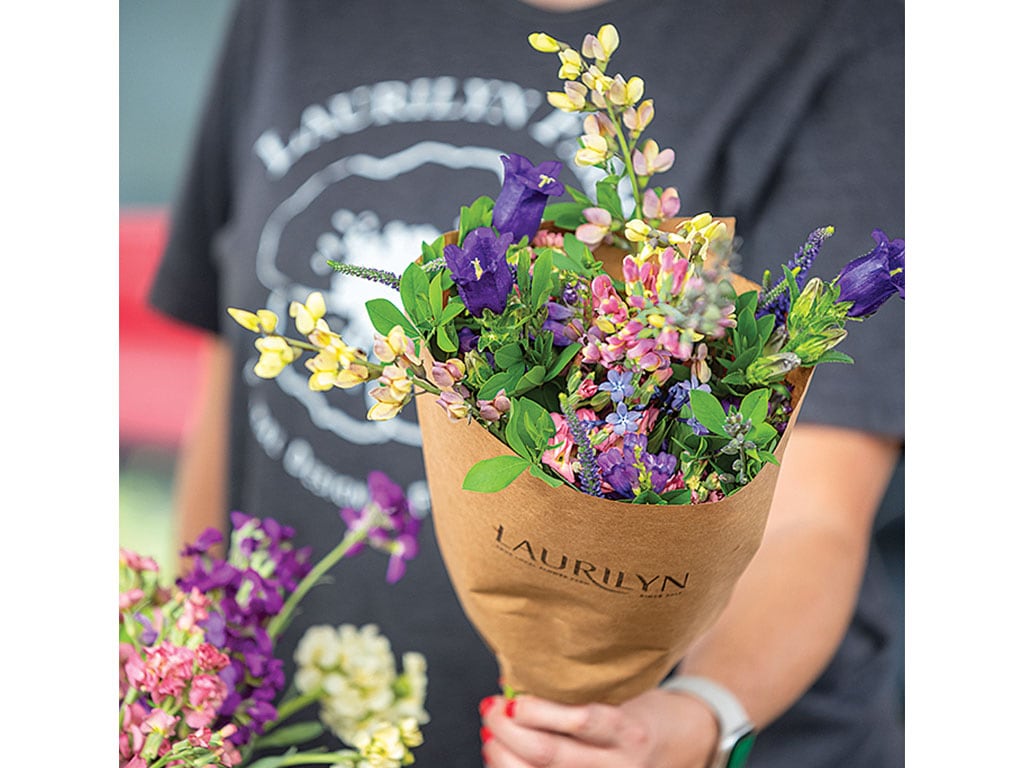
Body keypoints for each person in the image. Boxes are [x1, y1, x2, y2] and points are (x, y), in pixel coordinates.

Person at [148, 0, 904, 765]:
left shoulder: (830, 33)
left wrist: (693, 721)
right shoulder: (294, 14)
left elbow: (815, 514)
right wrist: (192, 676)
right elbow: (231, 399)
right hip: (298, 732)